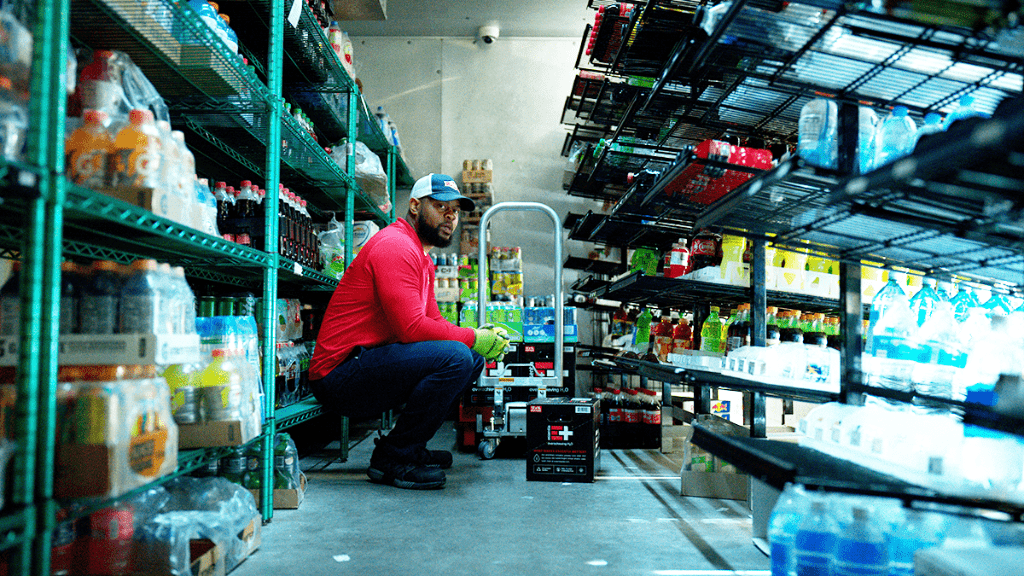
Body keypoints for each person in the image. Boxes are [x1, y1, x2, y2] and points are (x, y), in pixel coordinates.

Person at [309, 173, 510, 490]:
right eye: (441, 206)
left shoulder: (421, 256)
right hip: (339, 374)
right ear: (415, 206)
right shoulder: (396, 246)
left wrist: (474, 335)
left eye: (455, 211)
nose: (450, 216)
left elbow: (433, 322)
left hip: (367, 363)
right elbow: (412, 328)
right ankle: (394, 458)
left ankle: (408, 446)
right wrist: (473, 338)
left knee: (469, 358)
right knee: (458, 356)